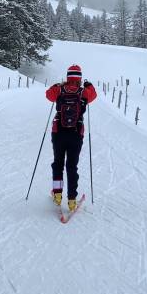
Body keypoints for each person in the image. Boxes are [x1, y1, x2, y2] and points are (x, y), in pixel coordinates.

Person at [45, 65, 97, 210]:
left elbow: (48, 95)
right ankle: (72, 200)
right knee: (72, 166)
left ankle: (57, 195)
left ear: (68, 76)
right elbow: (94, 94)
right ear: (80, 78)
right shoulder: (84, 92)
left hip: (58, 132)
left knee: (58, 163)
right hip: (76, 133)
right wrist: (89, 85)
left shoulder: (59, 90)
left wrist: (57, 85)